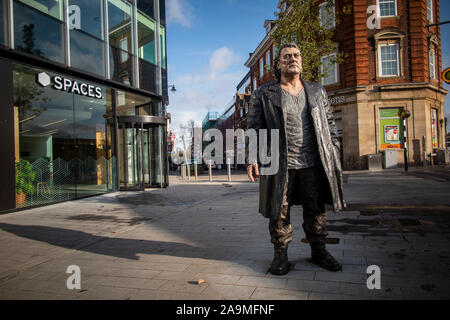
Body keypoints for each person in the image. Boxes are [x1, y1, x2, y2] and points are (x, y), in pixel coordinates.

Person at [246, 43, 346, 274]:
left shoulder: (317, 91)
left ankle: (319, 250)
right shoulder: (264, 93)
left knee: (316, 208)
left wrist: (334, 152)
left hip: (314, 162)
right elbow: (253, 128)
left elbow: (330, 127)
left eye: (297, 55)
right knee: (279, 211)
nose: (293, 59)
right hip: (280, 164)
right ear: (278, 64)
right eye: (287, 56)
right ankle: (280, 254)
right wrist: (252, 158)